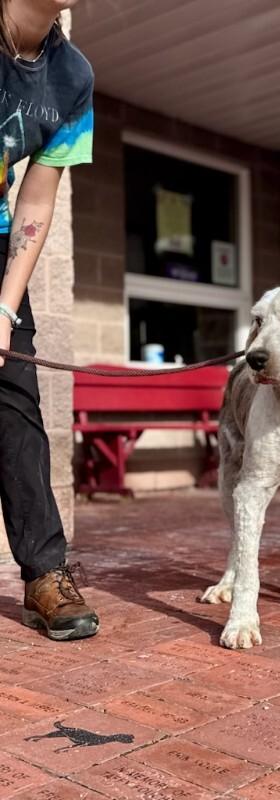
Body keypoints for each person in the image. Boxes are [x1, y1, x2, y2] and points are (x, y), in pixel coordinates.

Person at [0, 0, 98, 640]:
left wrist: (6, 307)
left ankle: (44, 573)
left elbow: (36, 195)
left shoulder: (73, 77)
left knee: (16, 399)